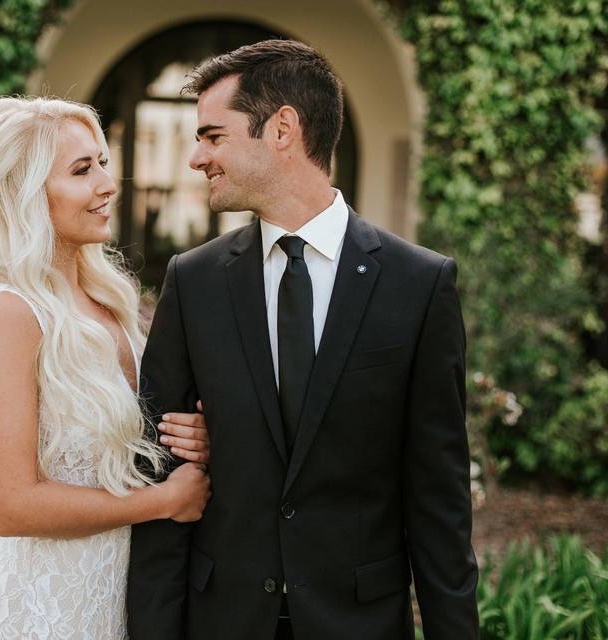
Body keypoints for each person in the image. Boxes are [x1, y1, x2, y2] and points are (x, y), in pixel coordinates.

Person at [128, 40, 479, 640]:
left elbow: (439, 499)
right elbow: (162, 473)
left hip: (358, 621)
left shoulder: (419, 284)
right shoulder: (194, 280)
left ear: (283, 128)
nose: (196, 158)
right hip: (222, 619)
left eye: (214, 136)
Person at [0, 96, 212, 639]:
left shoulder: (107, 300)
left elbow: (130, 441)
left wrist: (194, 436)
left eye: (103, 163)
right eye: (82, 170)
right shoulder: (6, 314)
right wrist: (161, 501)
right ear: (24, 193)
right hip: (44, 616)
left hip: (120, 604)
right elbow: (11, 505)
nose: (108, 184)